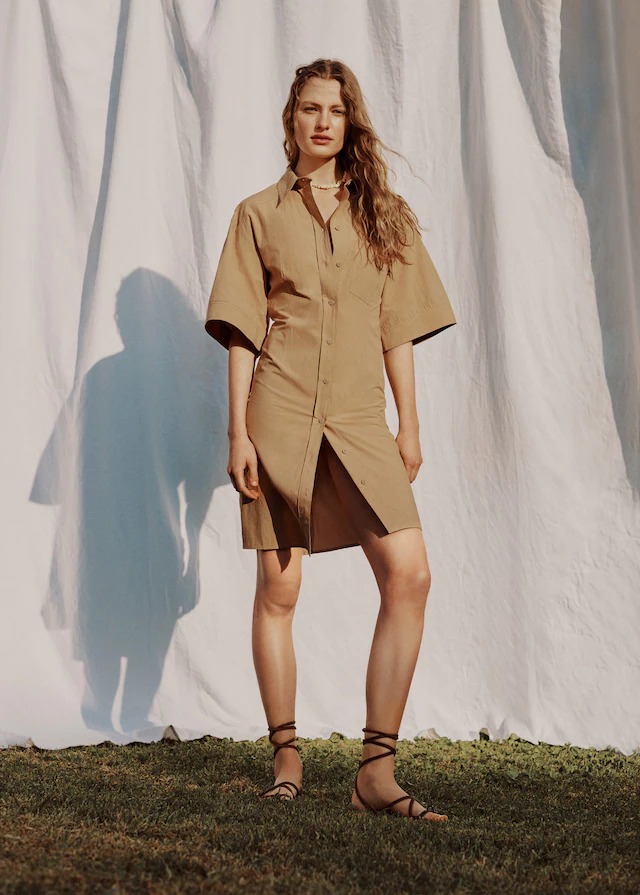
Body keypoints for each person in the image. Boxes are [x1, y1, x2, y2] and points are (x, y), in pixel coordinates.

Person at [204, 59, 456, 821]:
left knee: (409, 575)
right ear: (291, 119)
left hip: (357, 416)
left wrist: (410, 422)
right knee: (279, 588)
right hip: (279, 412)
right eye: (311, 108)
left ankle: (376, 771)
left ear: (350, 123)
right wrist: (238, 432)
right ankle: (287, 756)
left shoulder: (385, 214)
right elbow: (243, 333)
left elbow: (397, 327)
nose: (323, 122)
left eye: (336, 110)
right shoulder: (256, 214)